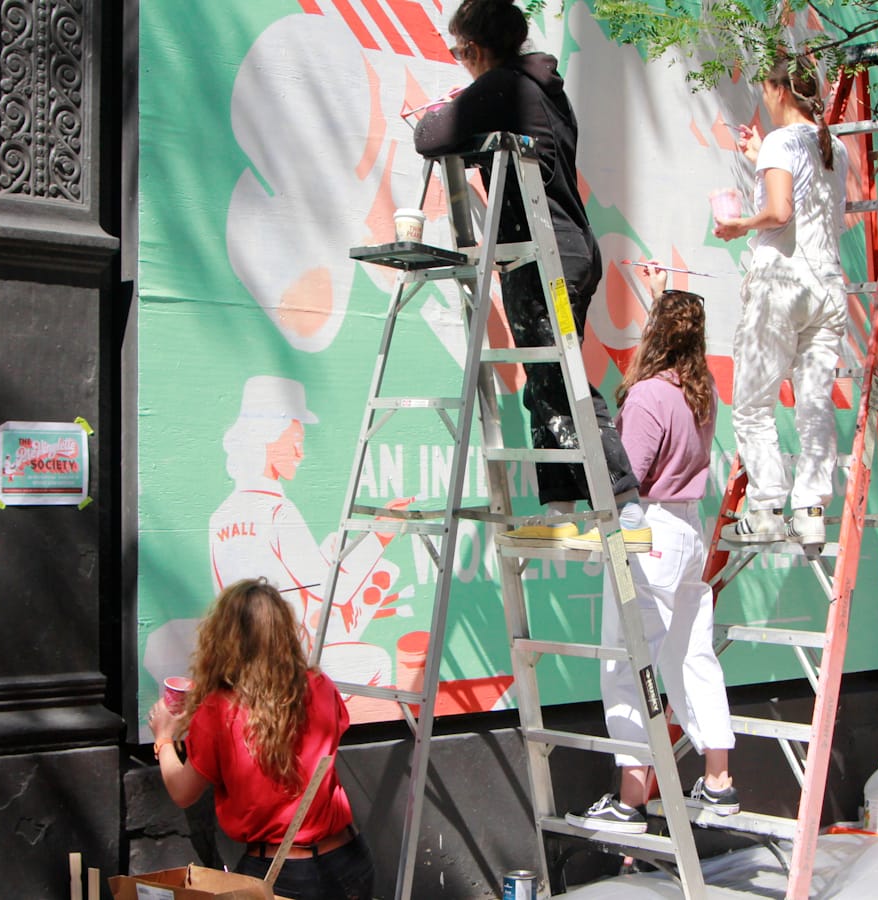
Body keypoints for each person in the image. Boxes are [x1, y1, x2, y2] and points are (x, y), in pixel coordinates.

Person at [414, 0, 648, 552]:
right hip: (561, 253)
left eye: (458, 52)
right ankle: (563, 507)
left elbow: (429, 135)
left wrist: (458, 106)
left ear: (476, 49)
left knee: (561, 378)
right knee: (548, 381)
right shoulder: (542, 89)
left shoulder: (503, 87)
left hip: (546, 259)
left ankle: (626, 504)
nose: (459, 62)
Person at [566, 266, 738, 834]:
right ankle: (718, 782)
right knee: (692, 654)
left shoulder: (648, 396)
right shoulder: (701, 394)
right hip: (688, 532)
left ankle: (631, 799)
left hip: (652, 536)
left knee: (626, 662)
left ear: (656, 335)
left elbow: (627, 479)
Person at [149, 578, 374, 900]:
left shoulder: (218, 710)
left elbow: (183, 792)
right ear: (284, 633)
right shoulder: (318, 685)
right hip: (348, 859)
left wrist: (165, 738)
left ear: (222, 639)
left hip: (281, 874)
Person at [714, 55, 849, 559]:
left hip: (781, 285)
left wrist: (738, 226)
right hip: (827, 286)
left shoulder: (780, 141)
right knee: (814, 401)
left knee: (752, 404)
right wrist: (760, 161)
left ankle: (766, 508)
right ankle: (810, 510)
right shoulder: (830, 145)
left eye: (765, 90)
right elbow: (807, 205)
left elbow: (779, 212)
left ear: (779, 90)